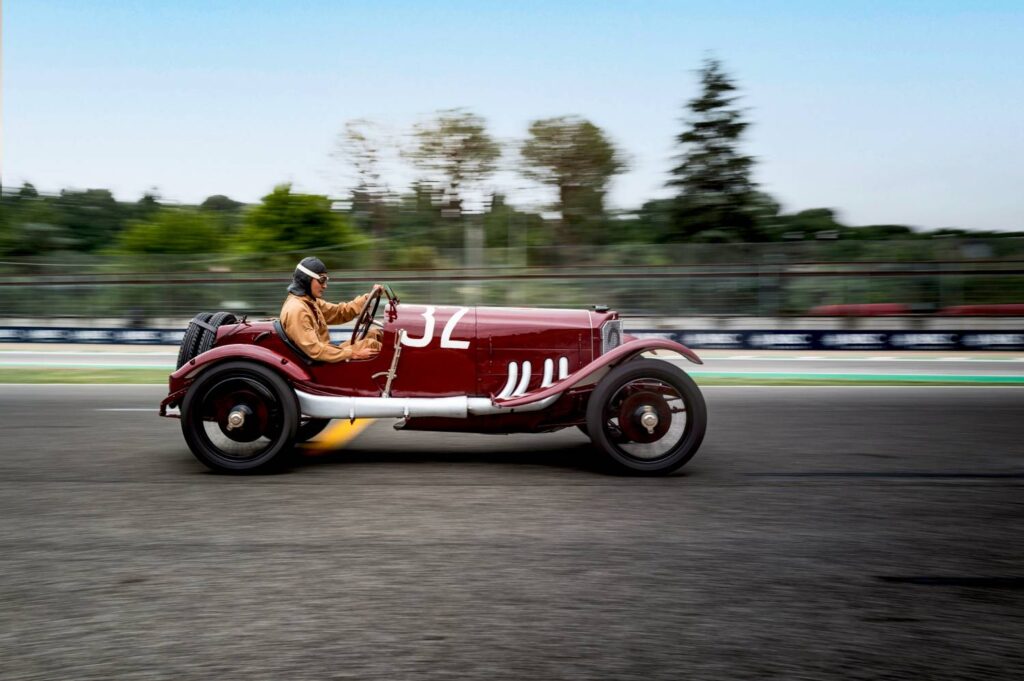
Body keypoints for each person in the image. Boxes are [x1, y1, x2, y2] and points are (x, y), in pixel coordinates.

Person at [279, 257, 382, 362]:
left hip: (326, 352)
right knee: (373, 345)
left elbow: (339, 312)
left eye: (326, 281)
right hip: (323, 362)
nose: (325, 286)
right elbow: (316, 350)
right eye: (321, 280)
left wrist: (367, 298)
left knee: (375, 334)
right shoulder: (297, 310)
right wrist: (352, 354)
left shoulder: (310, 302)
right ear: (306, 279)